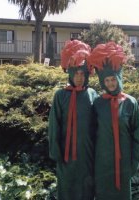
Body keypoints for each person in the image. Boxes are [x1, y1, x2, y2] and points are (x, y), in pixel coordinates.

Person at [88, 41, 139, 200]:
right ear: (102, 82)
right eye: (106, 80)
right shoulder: (97, 103)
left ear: (119, 78)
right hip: (102, 165)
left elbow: (137, 138)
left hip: (123, 165)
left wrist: (134, 164)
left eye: (113, 79)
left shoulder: (131, 103)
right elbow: (91, 135)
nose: (110, 83)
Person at [48, 40, 98, 200]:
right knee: (67, 189)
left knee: (86, 190)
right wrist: (56, 152)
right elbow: (54, 125)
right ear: (70, 73)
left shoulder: (92, 94)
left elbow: (99, 126)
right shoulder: (60, 95)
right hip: (65, 155)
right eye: (76, 73)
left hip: (87, 155)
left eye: (82, 73)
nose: (79, 77)